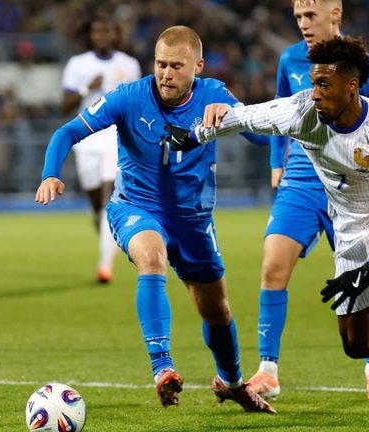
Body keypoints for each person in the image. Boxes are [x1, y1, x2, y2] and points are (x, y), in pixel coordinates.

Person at [169, 36, 369, 432]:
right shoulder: (303, 112)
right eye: (313, 83)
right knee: (357, 345)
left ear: (352, 86)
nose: (314, 94)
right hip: (350, 231)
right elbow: (247, 117)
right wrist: (194, 134)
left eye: (324, 85)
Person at [36, 25, 274, 414]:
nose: (165, 73)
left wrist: (236, 116)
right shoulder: (130, 96)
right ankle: (162, 367)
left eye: (176, 66)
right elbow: (68, 132)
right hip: (136, 206)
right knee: (151, 256)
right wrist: (50, 172)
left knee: (217, 311)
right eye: (160, 64)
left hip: (194, 221)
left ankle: (232, 382)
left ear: (197, 66)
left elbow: (266, 137)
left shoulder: (214, 95)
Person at [248, 0, 369, 401]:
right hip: (300, 180)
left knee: (366, 286)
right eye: (298, 17)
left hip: (352, 187)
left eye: (310, 16)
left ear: (335, 12)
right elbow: (278, 112)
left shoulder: (367, 70)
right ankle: (267, 371)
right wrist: (275, 162)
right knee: (272, 266)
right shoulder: (289, 60)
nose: (302, 24)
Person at [61, 16, 141, 284]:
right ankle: (104, 233)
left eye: (107, 31)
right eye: (97, 31)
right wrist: (87, 88)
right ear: (91, 36)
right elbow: (64, 105)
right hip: (86, 139)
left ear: (114, 34)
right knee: (96, 203)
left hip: (115, 138)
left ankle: (105, 265)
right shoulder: (78, 64)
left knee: (111, 195)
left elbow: (138, 104)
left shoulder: (129, 65)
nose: (102, 36)